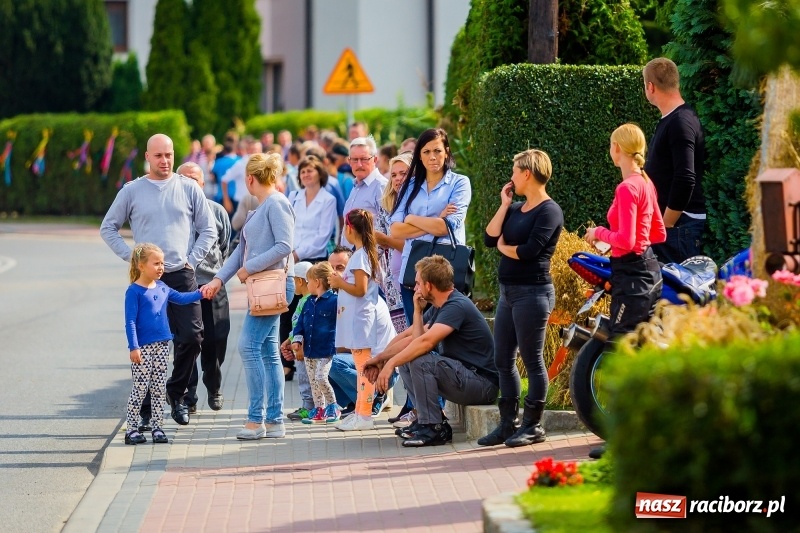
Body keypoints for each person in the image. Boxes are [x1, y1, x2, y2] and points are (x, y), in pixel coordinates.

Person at [101, 133, 216, 428]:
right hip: (147, 281)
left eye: (169, 155)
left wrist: (192, 259)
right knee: (151, 345)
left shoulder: (189, 188)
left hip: (181, 272)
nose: (165, 161)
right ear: (147, 158)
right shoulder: (132, 190)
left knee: (192, 337)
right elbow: (108, 227)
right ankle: (147, 409)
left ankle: (176, 394)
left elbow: (208, 230)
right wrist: (132, 258)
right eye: (158, 156)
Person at [584, 124, 668, 458]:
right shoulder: (646, 183)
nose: (610, 149)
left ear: (618, 148)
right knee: (641, 351)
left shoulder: (627, 188)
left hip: (632, 276)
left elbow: (629, 240)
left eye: (610, 144)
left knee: (619, 352)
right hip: (648, 270)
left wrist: (599, 233)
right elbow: (657, 233)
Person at [201, 153, 296, 440]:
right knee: (267, 353)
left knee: (249, 347)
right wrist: (218, 280)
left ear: (250, 179)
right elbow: (238, 252)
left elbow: (285, 246)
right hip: (264, 287)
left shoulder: (277, 204)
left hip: (274, 284)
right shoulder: (261, 207)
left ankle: (257, 420)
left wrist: (248, 268)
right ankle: (274, 419)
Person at [364, 255, 499, 447]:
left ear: (429, 286)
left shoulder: (456, 306)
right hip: (465, 378)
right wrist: (381, 359)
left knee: (421, 360)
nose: (415, 287)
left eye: (418, 283)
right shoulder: (439, 306)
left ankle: (434, 428)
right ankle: (424, 420)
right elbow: (410, 338)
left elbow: (425, 344)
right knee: (409, 358)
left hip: (482, 385)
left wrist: (390, 365)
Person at [479, 150, 564, 447]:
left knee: (532, 359)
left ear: (527, 173)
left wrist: (504, 248)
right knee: (502, 358)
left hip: (534, 293)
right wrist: (504, 205)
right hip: (508, 292)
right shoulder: (515, 208)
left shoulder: (550, 211)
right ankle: (508, 424)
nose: (512, 176)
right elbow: (489, 237)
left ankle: (533, 425)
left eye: (515, 170)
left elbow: (529, 252)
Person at [123, 243, 204, 445]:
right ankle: (131, 428)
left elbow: (183, 299)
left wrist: (202, 292)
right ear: (141, 266)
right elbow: (130, 321)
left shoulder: (162, 287)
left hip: (162, 345)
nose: (161, 267)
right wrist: (134, 347)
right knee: (141, 388)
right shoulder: (134, 291)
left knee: (159, 387)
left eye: (162, 263)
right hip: (143, 348)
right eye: (156, 263)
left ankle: (158, 427)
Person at [389, 128, 471, 326]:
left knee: (444, 337)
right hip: (412, 274)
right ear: (419, 155)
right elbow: (395, 230)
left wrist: (411, 217)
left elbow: (446, 228)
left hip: (445, 272)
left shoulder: (460, 183)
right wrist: (435, 220)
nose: (432, 157)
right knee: (415, 333)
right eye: (426, 152)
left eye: (437, 151)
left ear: (447, 152)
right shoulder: (409, 186)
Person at [328, 209, 395, 431]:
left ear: (349, 228)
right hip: (359, 320)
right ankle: (359, 412)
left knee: (363, 369)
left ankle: (364, 415)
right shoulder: (363, 253)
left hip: (362, 321)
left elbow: (360, 289)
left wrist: (339, 283)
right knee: (360, 368)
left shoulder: (360, 256)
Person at [177, 162, 232, 413]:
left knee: (217, 338)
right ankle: (188, 396)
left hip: (212, 283)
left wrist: (216, 276)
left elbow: (224, 245)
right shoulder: (172, 212)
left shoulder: (216, 211)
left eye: (195, 180)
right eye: (184, 180)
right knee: (187, 342)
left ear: (202, 184)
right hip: (182, 285)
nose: (190, 185)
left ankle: (214, 384)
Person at [643, 57, 706, 264]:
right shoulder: (674, 119)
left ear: (650, 87)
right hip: (674, 229)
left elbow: (686, 178)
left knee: (675, 296)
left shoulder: (680, 122)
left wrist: (665, 224)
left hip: (678, 229)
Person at [291, 262, 340, 424]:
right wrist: (297, 339)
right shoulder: (308, 302)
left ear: (317, 282)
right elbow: (300, 324)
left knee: (321, 377)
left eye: (308, 281)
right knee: (313, 382)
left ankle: (333, 406)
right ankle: (319, 409)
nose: (307, 284)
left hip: (325, 349)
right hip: (309, 351)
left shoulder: (334, 301)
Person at [281, 261, 315, 420]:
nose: (291, 285)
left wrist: (300, 347)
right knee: (305, 378)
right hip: (300, 347)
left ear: (300, 281)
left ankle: (309, 407)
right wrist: (289, 339)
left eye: (292, 281)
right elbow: (298, 325)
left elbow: (308, 328)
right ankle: (309, 406)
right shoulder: (304, 300)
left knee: (306, 379)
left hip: (305, 350)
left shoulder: (309, 302)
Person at [341, 136, 389, 248]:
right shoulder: (356, 186)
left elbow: (387, 231)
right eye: (355, 159)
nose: (359, 164)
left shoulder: (381, 186)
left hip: (367, 262)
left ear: (375, 160)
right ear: (349, 161)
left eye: (364, 159)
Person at [288, 156, 337, 263]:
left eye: (309, 171)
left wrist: (298, 254)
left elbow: (323, 236)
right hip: (290, 256)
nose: (306, 174)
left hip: (314, 259)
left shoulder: (328, 200)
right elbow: (286, 227)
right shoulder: (293, 196)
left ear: (320, 174)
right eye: (303, 172)